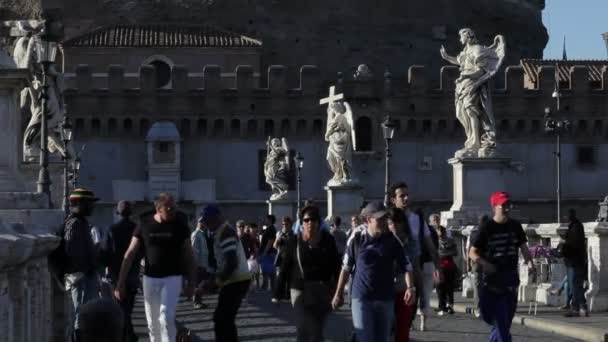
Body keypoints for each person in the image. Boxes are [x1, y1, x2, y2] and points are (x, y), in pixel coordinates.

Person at [114, 193, 197, 342]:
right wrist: (120, 283)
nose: (174, 210)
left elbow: (189, 256)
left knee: (165, 318)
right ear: (159, 209)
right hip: (150, 279)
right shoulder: (144, 225)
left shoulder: (180, 226)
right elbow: (130, 253)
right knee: (152, 323)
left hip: (173, 277)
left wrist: (191, 282)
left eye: (175, 207)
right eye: (169, 208)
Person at [332, 201, 416, 342]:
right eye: (380, 219)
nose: (384, 222)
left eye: (385, 218)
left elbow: (406, 266)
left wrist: (410, 287)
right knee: (365, 338)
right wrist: (338, 293)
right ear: (368, 219)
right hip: (361, 297)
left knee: (382, 338)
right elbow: (346, 268)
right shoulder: (357, 237)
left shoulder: (392, 240)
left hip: (385, 298)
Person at [469, 191, 535, 342]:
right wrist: (485, 264)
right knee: (501, 326)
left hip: (511, 280)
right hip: (493, 282)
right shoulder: (487, 228)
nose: (507, 208)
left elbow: (523, 247)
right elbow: (472, 253)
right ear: (494, 207)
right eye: (503, 205)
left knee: (503, 325)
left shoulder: (515, 225)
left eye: (508, 205)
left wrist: (530, 262)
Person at [274, 205, 341, 341]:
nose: (310, 222)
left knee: (317, 332)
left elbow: (336, 266)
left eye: (314, 219)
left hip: (323, 290)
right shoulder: (294, 240)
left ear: (319, 222)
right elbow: (285, 267)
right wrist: (278, 292)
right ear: (301, 222)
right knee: (303, 329)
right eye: (306, 220)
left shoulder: (328, 240)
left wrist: (338, 292)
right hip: (300, 289)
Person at [389, 181, 440, 331]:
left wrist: (438, 267)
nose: (405, 198)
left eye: (407, 195)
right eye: (401, 196)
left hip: (413, 274)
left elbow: (430, 245)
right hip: (389, 276)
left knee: (406, 319)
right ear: (393, 200)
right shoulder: (387, 219)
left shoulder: (417, 219)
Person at [200, 205, 251, 342]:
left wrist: (215, 282)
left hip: (236, 281)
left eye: (207, 220)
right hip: (235, 280)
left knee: (222, 319)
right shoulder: (221, 232)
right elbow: (224, 263)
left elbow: (231, 263)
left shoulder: (225, 232)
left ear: (216, 218)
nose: (205, 224)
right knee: (224, 319)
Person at [63, 188, 101, 342]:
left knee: (86, 315)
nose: (92, 206)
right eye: (89, 203)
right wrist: (84, 269)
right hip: (80, 278)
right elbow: (70, 249)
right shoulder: (75, 224)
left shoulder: (81, 223)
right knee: (80, 316)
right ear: (78, 203)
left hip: (85, 275)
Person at [107, 200, 140, 342]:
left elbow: (106, 252)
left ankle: (127, 336)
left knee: (120, 308)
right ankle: (128, 335)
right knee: (128, 308)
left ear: (118, 212)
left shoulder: (112, 229)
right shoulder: (136, 228)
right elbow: (140, 252)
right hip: (133, 273)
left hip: (116, 274)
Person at [387, 207, 416, 342]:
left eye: (396, 222)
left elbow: (414, 266)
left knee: (403, 327)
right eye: (390, 222)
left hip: (403, 289)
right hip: (384, 290)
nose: (394, 225)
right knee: (385, 327)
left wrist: (415, 289)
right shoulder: (382, 240)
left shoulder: (409, 242)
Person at [562, 209, 589, 317]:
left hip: (576, 260)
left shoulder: (576, 226)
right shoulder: (574, 225)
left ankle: (580, 307)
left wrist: (564, 242)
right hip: (574, 260)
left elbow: (574, 243)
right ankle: (577, 307)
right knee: (575, 284)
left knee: (576, 284)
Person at [431, 213, 458, 316]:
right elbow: (455, 252)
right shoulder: (449, 241)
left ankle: (443, 306)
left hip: (441, 266)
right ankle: (448, 306)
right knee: (448, 287)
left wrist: (442, 253)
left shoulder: (436, 242)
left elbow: (454, 252)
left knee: (441, 287)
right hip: (448, 265)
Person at [191, 216, 215, 309]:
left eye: (205, 223)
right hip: (198, 264)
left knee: (201, 283)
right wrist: (196, 264)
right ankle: (196, 302)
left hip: (203, 263)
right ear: (199, 223)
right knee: (198, 283)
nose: (204, 224)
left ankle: (199, 301)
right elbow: (194, 250)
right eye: (202, 222)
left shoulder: (202, 234)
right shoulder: (196, 234)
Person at [273, 216, 294, 302]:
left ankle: (288, 296)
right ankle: (277, 296)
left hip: (291, 258)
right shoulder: (279, 233)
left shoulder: (294, 234)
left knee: (289, 278)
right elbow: (274, 246)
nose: (284, 226)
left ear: (290, 225)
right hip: (281, 258)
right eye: (283, 224)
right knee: (280, 277)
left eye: (286, 224)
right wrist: (279, 238)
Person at [260, 214, 278, 291]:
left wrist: (265, 251)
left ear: (270, 220)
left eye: (266, 219)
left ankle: (268, 286)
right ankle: (269, 286)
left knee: (268, 270)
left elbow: (270, 241)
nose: (265, 220)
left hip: (269, 253)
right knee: (269, 270)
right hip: (269, 252)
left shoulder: (271, 229)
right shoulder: (269, 228)